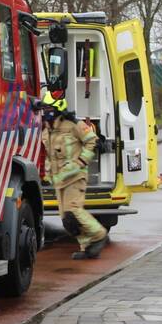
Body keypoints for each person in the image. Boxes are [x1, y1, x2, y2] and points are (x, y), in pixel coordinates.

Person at [40, 92, 108, 260]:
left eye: (49, 109)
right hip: (60, 179)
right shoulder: (47, 129)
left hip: (75, 177)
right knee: (67, 219)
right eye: (45, 109)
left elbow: (92, 140)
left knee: (73, 211)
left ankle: (99, 234)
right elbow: (50, 155)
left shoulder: (73, 125)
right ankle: (87, 247)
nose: (46, 112)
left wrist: (82, 161)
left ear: (58, 109)